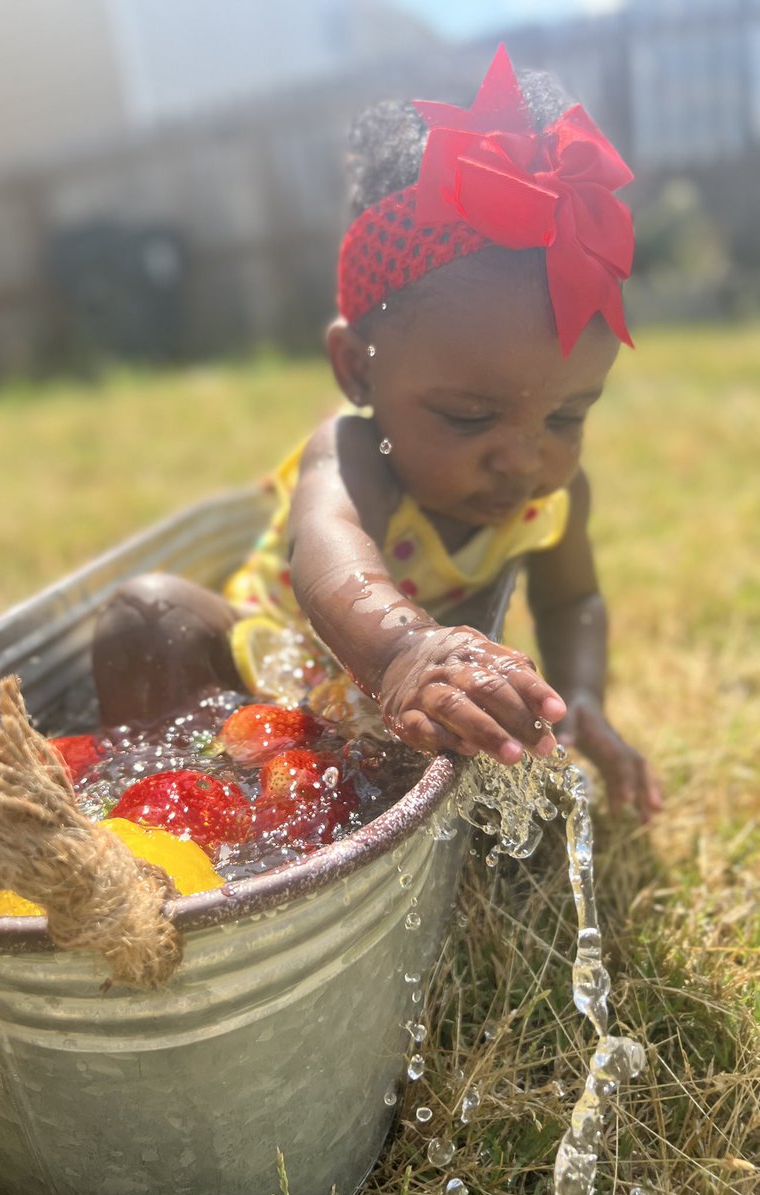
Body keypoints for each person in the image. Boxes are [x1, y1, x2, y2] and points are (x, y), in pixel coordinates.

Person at [93, 45, 662, 821]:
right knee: (149, 614)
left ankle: (331, 817)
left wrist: (586, 696)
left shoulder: (555, 498)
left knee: (409, 759)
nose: (525, 456)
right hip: (264, 669)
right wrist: (402, 650)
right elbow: (327, 548)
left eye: (566, 416)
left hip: (390, 708)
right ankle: (176, 805)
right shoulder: (359, 451)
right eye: (469, 416)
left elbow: (575, 603)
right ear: (358, 372)